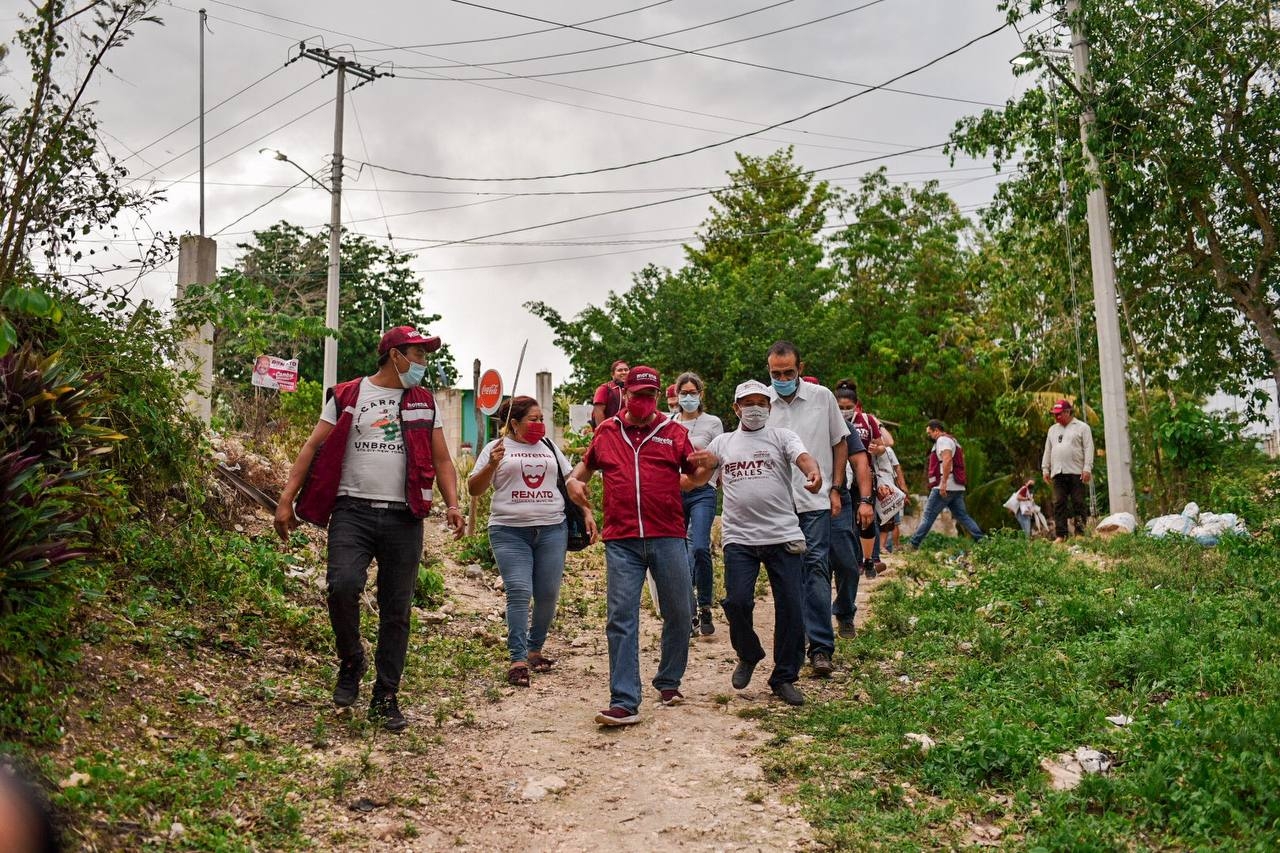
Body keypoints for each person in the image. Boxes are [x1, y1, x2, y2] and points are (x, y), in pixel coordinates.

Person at [274, 325, 466, 731]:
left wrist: (453, 503)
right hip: (352, 511)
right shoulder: (348, 394)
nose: (422, 363)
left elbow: (444, 460)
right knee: (342, 585)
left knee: (396, 610)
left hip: (404, 516)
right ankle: (351, 661)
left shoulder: (423, 402)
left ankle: (386, 695)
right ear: (395, 355)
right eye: (417, 354)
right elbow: (313, 446)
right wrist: (286, 498)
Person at [568, 366, 710, 726]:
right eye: (636, 396)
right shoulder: (607, 431)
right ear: (625, 394)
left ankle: (668, 680)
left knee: (679, 611)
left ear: (659, 397)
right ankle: (624, 699)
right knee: (621, 617)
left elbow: (692, 479)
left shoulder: (673, 433)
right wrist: (573, 486)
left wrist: (705, 469)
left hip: (667, 535)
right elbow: (580, 473)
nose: (642, 403)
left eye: (649, 396)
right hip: (622, 539)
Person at [685, 380, 822, 706]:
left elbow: (804, 459)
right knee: (737, 603)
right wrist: (675, 475)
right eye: (748, 403)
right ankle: (748, 652)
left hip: (783, 535)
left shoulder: (781, 436)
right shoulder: (722, 443)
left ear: (769, 407)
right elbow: (698, 482)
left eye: (762, 402)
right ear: (736, 408)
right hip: (740, 539)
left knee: (791, 606)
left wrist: (813, 474)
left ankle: (784, 676)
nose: (755, 408)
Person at [468, 396, 597, 687]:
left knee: (548, 593)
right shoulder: (496, 449)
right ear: (514, 423)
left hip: (552, 529)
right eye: (534, 419)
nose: (540, 424)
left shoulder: (550, 448)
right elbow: (474, 488)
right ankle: (517, 659)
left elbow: (571, 483)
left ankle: (535, 649)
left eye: (542, 419)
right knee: (519, 591)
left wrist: (587, 510)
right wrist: (491, 465)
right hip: (509, 531)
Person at [763, 341, 849, 677]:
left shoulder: (822, 397)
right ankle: (792, 648)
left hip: (815, 502)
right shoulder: (761, 403)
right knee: (787, 577)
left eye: (788, 372)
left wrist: (836, 489)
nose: (782, 378)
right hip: (778, 505)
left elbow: (839, 442)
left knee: (816, 569)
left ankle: (821, 648)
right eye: (775, 374)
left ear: (800, 367)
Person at [669, 371, 724, 636]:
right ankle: (687, 610)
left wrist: (698, 480)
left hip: (703, 490)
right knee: (678, 552)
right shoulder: (669, 422)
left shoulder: (712, 423)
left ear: (700, 395)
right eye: (684, 393)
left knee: (700, 547)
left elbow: (716, 458)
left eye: (692, 393)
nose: (688, 397)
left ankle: (704, 604)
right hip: (675, 492)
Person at [834, 380, 894, 579]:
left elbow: (883, 445)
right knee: (847, 521)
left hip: (864, 476)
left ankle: (870, 559)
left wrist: (879, 449)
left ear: (856, 405)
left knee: (866, 519)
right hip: (842, 477)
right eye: (840, 407)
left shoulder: (867, 420)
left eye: (848, 408)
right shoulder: (830, 422)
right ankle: (855, 561)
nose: (844, 411)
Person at [826, 407, 874, 641]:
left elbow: (861, 463)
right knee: (812, 566)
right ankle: (813, 624)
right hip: (800, 501)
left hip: (838, 499)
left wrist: (865, 501)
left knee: (846, 562)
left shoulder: (843, 427)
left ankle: (845, 613)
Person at [907, 419, 985, 549]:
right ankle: (983, 541)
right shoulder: (953, 440)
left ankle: (913, 544)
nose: (929, 436)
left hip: (944, 486)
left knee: (927, 516)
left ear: (936, 430)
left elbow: (947, 460)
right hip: (957, 487)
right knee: (963, 516)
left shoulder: (942, 440)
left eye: (929, 433)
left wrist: (943, 483)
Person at [1042, 399, 1094, 541]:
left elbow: (1089, 448)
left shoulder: (1082, 427)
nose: (1056, 417)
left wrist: (1087, 468)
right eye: (1054, 414)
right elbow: (1048, 450)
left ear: (1067, 412)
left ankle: (1080, 533)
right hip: (1058, 472)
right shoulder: (1052, 430)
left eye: (1059, 414)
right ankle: (1061, 535)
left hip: (1076, 471)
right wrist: (1045, 469)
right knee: (1059, 503)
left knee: (1078, 502)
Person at [879, 445, 910, 554]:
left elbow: (897, 468)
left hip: (890, 486)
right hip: (880, 485)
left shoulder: (888, 450)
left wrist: (903, 488)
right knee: (890, 520)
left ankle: (892, 547)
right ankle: (889, 547)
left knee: (893, 520)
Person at [591, 359, 629, 427]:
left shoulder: (632, 390)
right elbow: (598, 411)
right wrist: (603, 431)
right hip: (610, 431)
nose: (624, 372)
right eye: (620, 370)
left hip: (627, 432)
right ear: (612, 374)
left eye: (626, 370)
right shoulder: (604, 388)